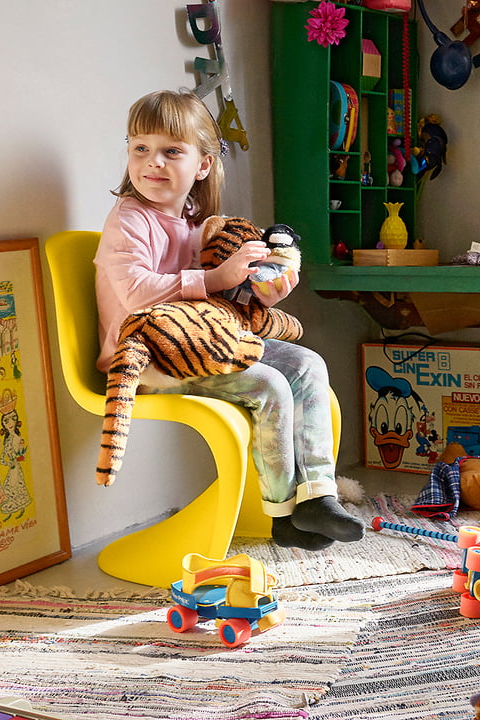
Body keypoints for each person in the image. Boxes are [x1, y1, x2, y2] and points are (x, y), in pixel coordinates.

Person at [94, 89, 364, 551]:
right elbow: (136, 293)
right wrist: (216, 276)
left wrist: (263, 285)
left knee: (306, 365)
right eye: (140, 148)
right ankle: (282, 513)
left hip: (208, 345)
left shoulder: (197, 223)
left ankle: (318, 495)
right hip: (152, 358)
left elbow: (226, 293)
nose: (152, 163)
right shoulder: (129, 219)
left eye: (170, 151)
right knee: (270, 386)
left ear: (202, 164)